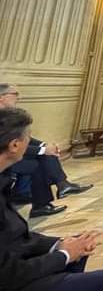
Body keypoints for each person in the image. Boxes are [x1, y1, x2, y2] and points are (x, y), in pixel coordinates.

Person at [0, 107, 103, 291]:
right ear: (14, 144)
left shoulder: (4, 178)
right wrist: (63, 255)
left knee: (79, 253)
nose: (30, 141)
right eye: (28, 137)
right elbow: (7, 274)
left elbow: (15, 235)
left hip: (13, 266)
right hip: (8, 286)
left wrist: (60, 243)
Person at [0, 85, 92, 218]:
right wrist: (43, 150)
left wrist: (44, 146)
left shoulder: (8, 115)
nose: (18, 97)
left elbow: (24, 138)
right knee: (41, 160)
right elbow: (11, 144)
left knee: (45, 155)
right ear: (2, 97)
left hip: (12, 154)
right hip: (5, 158)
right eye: (15, 94)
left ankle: (57, 190)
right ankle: (56, 191)